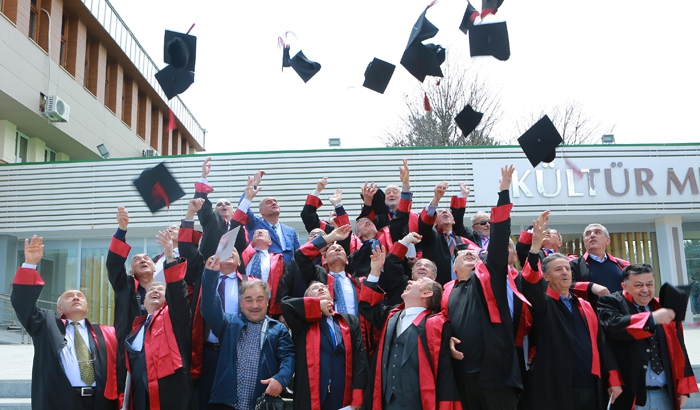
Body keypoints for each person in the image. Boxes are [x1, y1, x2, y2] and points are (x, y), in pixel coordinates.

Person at [442, 165, 523, 410]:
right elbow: (439, 323)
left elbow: (499, 239)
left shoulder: (491, 278)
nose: (469, 254)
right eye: (462, 254)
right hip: (462, 375)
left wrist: (503, 192)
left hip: (496, 374)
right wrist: (447, 340)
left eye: (473, 253)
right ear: (454, 268)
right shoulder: (447, 290)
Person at [520, 215, 622, 410]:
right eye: (558, 270)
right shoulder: (543, 303)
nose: (565, 272)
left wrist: (613, 379)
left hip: (592, 388)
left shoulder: (585, 305)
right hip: (558, 390)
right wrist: (534, 248)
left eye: (567, 268)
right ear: (546, 276)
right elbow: (530, 284)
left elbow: (601, 344)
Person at [11, 235, 118, 410]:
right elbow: (22, 304)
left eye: (80, 296)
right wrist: (30, 264)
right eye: (69, 296)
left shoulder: (105, 333)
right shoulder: (46, 325)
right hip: (60, 401)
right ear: (59, 309)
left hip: (100, 402)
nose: (76, 297)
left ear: (87, 308)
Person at [358, 246, 461, 409]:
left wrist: (448, 338)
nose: (412, 281)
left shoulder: (439, 321)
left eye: (422, 279)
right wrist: (375, 271)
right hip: (387, 401)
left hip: (420, 401)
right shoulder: (391, 316)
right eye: (416, 271)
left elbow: (445, 375)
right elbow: (366, 306)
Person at [178, 197, 250, 410]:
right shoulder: (203, 275)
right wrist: (190, 215)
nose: (228, 254)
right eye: (224, 252)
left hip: (239, 350)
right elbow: (187, 250)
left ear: (239, 263)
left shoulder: (248, 284)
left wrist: (247, 199)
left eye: (233, 253)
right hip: (207, 352)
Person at [597, 264, 698, 409]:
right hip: (631, 393)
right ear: (624, 286)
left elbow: (678, 347)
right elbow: (615, 326)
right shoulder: (610, 302)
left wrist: (683, 388)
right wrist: (652, 319)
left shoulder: (661, 306)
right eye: (638, 285)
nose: (645, 290)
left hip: (664, 394)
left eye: (649, 284)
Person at [200, 257, 295, 409]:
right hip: (226, 403)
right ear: (241, 303)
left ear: (267, 301)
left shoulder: (278, 329)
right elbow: (209, 307)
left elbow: (288, 358)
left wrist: (281, 379)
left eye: (260, 299)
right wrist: (210, 275)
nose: (255, 305)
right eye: (249, 300)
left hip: (260, 402)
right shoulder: (229, 324)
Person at [123, 230, 196, 410]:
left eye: (160, 290)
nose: (154, 291)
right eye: (150, 291)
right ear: (143, 300)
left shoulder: (174, 317)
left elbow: (178, 292)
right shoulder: (136, 329)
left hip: (171, 395)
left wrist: (170, 255)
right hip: (140, 396)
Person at [281, 281, 368, 410]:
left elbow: (360, 360)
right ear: (307, 299)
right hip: (311, 397)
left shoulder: (349, 321)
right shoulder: (301, 322)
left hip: (343, 396)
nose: (321, 289)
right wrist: (317, 306)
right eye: (314, 289)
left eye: (324, 287)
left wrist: (358, 397)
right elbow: (285, 305)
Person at [107, 206, 156, 395]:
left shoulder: (165, 292)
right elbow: (113, 264)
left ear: (154, 268)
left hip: (159, 354)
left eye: (147, 259)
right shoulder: (124, 286)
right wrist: (122, 230)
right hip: (130, 355)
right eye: (137, 259)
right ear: (131, 271)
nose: (143, 260)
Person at [416, 181, 481, 284]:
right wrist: (436, 199)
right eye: (440, 211)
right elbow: (424, 224)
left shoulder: (462, 241)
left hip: (464, 287)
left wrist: (463, 196)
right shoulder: (431, 237)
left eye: (448, 211)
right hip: (438, 287)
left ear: (454, 221)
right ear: (434, 221)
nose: (445, 212)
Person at [236, 169, 300, 264]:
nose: (274, 203)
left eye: (275, 202)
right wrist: (255, 183)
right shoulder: (255, 224)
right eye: (269, 202)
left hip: (288, 273)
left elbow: (297, 254)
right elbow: (243, 206)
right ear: (261, 211)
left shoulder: (290, 231)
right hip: (265, 271)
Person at [194, 157, 250, 262]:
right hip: (210, 268)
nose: (223, 205)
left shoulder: (242, 229)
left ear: (234, 212)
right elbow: (202, 204)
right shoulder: (211, 220)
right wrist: (204, 176)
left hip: (234, 272)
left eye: (227, 204)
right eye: (219, 204)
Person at [570, 223, 630, 308]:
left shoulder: (623, 265)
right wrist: (591, 286)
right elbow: (566, 285)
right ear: (584, 242)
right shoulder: (574, 265)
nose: (592, 235)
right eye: (588, 234)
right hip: (590, 316)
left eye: (597, 232)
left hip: (620, 315)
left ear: (608, 241)